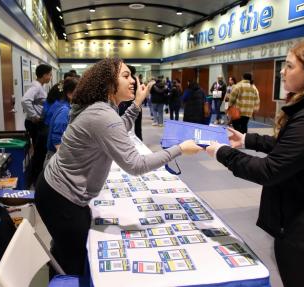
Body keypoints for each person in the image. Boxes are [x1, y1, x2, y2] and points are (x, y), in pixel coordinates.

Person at [206, 39, 304, 287]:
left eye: (289, 66)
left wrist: (222, 152)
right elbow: (292, 146)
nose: (282, 71)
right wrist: (247, 139)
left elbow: (270, 170)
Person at [35, 58, 202, 277]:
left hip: (55, 188)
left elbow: (117, 131)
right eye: (125, 76)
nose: (133, 80)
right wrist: (179, 149)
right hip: (61, 197)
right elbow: (136, 164)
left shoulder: (102, 110)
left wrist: (137, 103)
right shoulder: (102, 114)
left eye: (131, 75)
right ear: (108, 84)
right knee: (73, 260)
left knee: (67, 248)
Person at [44, 77, 79, 167]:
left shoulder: (64, 106)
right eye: (79, 92)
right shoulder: (65, 111)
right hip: (54, 158)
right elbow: (56, 138)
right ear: (70, 94)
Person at [21, 64, 52, 147]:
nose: (50, 77)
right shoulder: (36, 87)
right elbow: (25, 100)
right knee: (39, 148)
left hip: (37, 123)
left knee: (39, 147)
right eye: (50, 74)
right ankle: (37, 160)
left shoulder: (40, 86)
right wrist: (34, 116)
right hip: (34, 124)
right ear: (44, 75)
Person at [117, 65, 143, 140]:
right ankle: (140, 140)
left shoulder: (130, 80)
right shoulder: (136, 80)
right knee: (137, 126)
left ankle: (123, 139)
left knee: (123, 123)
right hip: (136, 103)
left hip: (125, 104)